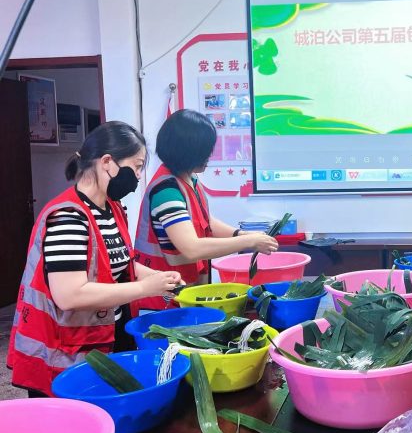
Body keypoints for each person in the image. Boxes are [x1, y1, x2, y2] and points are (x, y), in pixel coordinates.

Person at [7, 122, 183, 397]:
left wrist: (157, 278)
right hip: (66, 353)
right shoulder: (69, 218)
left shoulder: (111, 208)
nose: (138, 177)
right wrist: (145, 288)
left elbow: (117, 263)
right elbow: (69, 294)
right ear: (107, 162)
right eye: (136, 167)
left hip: (105, 337)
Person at [132, 109, 278, 314]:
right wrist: (248, 242)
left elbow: (205, 221)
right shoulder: (167, 191)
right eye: (205, 150)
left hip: (184, 290)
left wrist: (240, 234)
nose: (209, 155)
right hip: (162, 300)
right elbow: (191, 248)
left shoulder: (189, 179)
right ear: (188, 151)